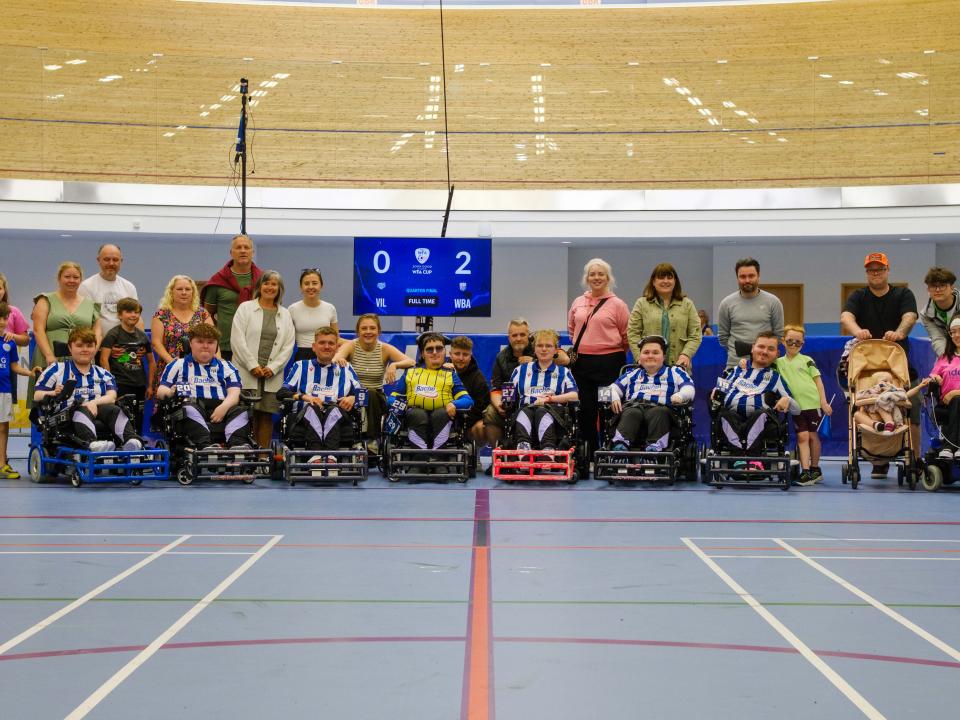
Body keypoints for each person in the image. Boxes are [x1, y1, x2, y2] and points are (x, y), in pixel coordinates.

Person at [841, 251, 919, 477]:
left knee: (910, 410)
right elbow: (847, 316)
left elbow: (910, 317)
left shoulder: (903, 294)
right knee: (868, 409)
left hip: (898, 364)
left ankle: (913, 458)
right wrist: (858, 332)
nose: (875, 273)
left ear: (887, 270)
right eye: (871, 270)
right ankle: (878, 461)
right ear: (867, 273)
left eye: (879, 269)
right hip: (866, 367)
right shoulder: (859, 296)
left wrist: (899, 333)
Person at [33, 328, 142, 453]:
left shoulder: (103, 373)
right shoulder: (56, 370)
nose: (85, 349)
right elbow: (37, 395)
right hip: (67, 415)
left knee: (114, 409)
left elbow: (112, 397)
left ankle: (131, 442)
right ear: (70, 347)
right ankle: (93, 444)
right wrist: (52, 393)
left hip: (99, 410)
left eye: (89, 346)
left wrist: (93, 403)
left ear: (95, 348)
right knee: (80, 409)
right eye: (79, 346)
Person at [567, 258, 630, 458]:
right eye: (592, 274)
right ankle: (589, 453)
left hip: (609, 365)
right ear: (587, 278)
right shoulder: (578, 302)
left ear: (608, 278)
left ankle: (609, 452)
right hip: (582, 364)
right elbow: (571, 330)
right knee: (585, 410)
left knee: (607, 409)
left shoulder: (618, 304)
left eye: (601, 274)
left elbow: (626, 334)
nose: (596, 277)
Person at [155, 324, 251, 450]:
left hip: (222, 406)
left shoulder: (227, 367)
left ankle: (237, 447)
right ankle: (205, 446)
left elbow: (234, 393)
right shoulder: (177, 365)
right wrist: (171, 391)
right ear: (190, 343)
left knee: (242, 411)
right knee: (187, 409)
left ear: (216, 345)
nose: (205, 346)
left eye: (210, 342)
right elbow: (161, 391)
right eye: (200, 342)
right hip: (191, 406)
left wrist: (224, 407)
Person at [277, 327, 361, 468]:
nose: (326, 346)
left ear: (337, 347)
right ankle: (315, 455)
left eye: (331, 343)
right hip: (305, 415)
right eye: (322, 343)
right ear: (314, 347)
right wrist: (305, 397)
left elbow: (363, 395)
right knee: (313, 407)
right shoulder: (300, 366)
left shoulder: (346, 368)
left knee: (333, 409)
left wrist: (353, 397)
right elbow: (281, 393)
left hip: (337, 414)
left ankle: (331, 456)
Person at [229, 271, 296, 448]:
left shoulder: (285, 314)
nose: (270, 287)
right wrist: (252, 366)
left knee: (265, 415)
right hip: (246, 371)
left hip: (271, 375)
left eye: (274, 284)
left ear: (279, 289)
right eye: (266, 283)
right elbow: (237, 340)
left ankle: (264, 456)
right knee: (244, 414)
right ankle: (245, 455)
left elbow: (288, 345)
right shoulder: (245, 308)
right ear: (259, 286)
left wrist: (273, 368)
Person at [331, 314, 414, 452]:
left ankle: (372, 441)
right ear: (358, 332)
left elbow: (411, 361)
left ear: (378, 331)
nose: (368, 331)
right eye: (364, 328)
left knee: (371, 392)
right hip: (352, 396)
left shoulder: (384, 348)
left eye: (372, 328)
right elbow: (335, 359)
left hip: (376, 397)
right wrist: (340, 359)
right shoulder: (351, 346)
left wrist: (395, 365)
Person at [484, 318, 570, 446]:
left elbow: (565, 359)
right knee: (490, 413)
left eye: (522, 334)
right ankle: (501, 449)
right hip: (513, 402)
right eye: (514, 335)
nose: (518, 338)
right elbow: (496, 388)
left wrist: (536, 359)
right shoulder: (501, 357)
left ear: (529, 336)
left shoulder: (540, 346)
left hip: (545, 400)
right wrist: (499, 405)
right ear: (509, 338)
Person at [713, 331, 799, 457]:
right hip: (732, 417)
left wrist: (788, 400)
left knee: (761, 414)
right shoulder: (736, 371)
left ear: (776, 354)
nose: (764, 352)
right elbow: (718, 392)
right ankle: (739, 456)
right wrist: (717, 390)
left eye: (770, 349)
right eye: (761, 347)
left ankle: (752, 456)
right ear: (753, 348)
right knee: (723, 414)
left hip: (761, 420)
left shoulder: (775, 378)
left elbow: (797, 410)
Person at [29, 262, 101, 405]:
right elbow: (38, 330)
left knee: (82, 402)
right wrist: (49, 355)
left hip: (82, 358)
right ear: (59, 278)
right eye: (67, 276)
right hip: (50, 357)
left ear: (81, 280)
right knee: (46, 403)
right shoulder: (45, 300)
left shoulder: (91, 304)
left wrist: (92, 353)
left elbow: (97, 332)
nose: (71, 280)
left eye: (76, 277)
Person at [607, 335, 694, 453]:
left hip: (661, 410)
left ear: (663, 357)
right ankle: (620, 446)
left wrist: (680, 396)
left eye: (655, 352)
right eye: (646, 352)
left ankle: (654, 449)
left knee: (658, 412)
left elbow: (690, 388)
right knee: (631, 412)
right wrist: (613, 396)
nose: (650, 356)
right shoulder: (631, 373)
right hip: (634, 407)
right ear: (640, 356)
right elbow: (606, 390)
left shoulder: (675, 372)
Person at [387, 333, 473, 451]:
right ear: (422, 353)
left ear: (444, 352)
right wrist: (402, 405)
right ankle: (419, 457)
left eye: (439, 348)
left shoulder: (450, 374)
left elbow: (468, 401)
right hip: (414, 416)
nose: (434, 352)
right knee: (417, 414)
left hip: (442, 416)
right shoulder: (410, 372)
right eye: (429, 349)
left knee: (441, 414)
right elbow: (391, 399)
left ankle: (438, 459)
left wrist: (454, 404)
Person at [773, 325, 833, 485]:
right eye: (790, 341)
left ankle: (815, 469)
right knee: (802, 436)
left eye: (798, 342)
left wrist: (824, 402)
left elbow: (818, 382)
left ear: (803, 343)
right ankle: (805, 471)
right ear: (783, 341)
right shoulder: (777, 363)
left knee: (813, 436)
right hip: (796, 407)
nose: (793, 344)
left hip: (813, 405)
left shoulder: (808, 361)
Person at [509, 329, 578, 452]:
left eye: (548, 346)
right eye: (540, 346)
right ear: (534, 349)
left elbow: (574, 395)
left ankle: (548, 448)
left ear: (556, 350)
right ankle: (523, 448)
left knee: (542, 411)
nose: (544, 349)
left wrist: (550, 399)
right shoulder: (520, 371)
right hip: (526, 409)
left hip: (553, 412)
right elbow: (508, 396)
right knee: (525, 411)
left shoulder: (563, 372)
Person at [627, 263, 701, 370]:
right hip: (648, 367)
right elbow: (632, 334)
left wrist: (686, 355)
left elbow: (695, 335)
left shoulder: (687, 304)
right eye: (661, 278)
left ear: (675, 281)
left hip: (679, 366)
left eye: (670, 278)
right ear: (653, 282)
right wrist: (640, 358)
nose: (666, 281)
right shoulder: (641, 303)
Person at [150, 275, 214, 399]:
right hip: (170, 369)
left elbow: (213, 341)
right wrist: (174, 365)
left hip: (200, 370)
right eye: (179, 289)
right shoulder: (161, 314)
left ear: (193, 292)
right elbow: (156, 343)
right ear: (171, 292)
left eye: (188, 289)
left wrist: (218, 363)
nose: (184, 293)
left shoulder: (202, 314)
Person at [201, 234, 263, 360]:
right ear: (231, 252)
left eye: (246, 247)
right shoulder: (218, 280)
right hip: (225, 347)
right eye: (238, 247)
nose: (243, 250)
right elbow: (207, 315)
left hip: (256, 345)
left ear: (252, 252)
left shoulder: (263, 280)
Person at [99, 297, 155, 433]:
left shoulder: (143, 336)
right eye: (129, 312)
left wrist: (150, 386)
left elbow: (152, 361)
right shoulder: (113, 335)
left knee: (139, 417)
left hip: (139, 385)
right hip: (120, 385)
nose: (133, 315)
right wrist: (110, 385)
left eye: (136, 312)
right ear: (119, 314)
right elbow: (103, 359)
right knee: (122, 417)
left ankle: (138, 443)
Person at [717, 258, 784, 369]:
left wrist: (762, 353)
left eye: (751, 276)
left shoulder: (773, 302)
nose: (747, 280)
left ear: (758, 276)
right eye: (743, 277)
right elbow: (723, 338)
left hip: (766, 366)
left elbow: (778, 335)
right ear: (737, 278)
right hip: (735, 365)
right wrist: (738, 352)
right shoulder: (726, 303)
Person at [0, 304, 39, 478]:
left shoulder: (10, 343)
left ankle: (2, 464)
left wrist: (30, 373)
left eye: (4, 318)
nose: (2, 322)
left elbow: (14, 366)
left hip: (4, 391)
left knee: (2, 428)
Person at [77, 243, 139, 334]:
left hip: (126, 344)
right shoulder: (86, 286)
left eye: (115, 260)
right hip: (97, 345)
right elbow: (86, 322)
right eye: (106, 259)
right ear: (98, 260)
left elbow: (137, 318)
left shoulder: (129, 287)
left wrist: (139, 343)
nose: (111, 263)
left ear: (121, 261)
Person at [289, 268, 339, 362]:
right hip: (302, 357)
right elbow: (286, 340)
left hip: (325, 355)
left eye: (315, 283)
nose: (311, 287)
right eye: (306, 283)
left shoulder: (330, 308)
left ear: (321, 286)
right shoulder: (292, 309)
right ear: (301, 286)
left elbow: (336, 338)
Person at [853, 371, 926, 434]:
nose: (888, 383)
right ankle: (875, 425)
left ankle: (889, 424)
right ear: (875, 384)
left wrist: (919, 386)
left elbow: (906, 395)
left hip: (887, 414)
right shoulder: (870, 391)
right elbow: (859, 397)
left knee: (880, 405)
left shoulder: (893, 392)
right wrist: (873, 393)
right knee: (857, 414)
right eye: (885, 381)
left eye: (891, 382)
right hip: (871, 418)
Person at [928, 317, 960, 458]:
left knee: (958, 400)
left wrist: (955, 393)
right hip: (946, 404)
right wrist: (935, 377)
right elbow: (932, 375)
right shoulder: (945, 358)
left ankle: (950, 446)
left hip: (955, 399)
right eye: (953, 332)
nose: (957, 335)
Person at [449, 336, 490, 443]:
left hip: (467, 424)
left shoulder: (479, 379)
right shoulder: (439, 371)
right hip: (442, 419)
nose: (461, 358)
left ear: (470, 356)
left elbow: (482, 408)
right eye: (457, 354)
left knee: (482, 427)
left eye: (465, 354)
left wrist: (459, 418)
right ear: (450, 354)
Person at [0, 272, 31, 406]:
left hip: (5, 371)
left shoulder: (13, 311)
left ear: (4, 290)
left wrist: (13, 336)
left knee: (3, 419)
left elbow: (26, 340)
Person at [919, 267, 960, 358]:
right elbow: (938, 339)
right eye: (933, 286)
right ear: (928, 289)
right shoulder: (926, 314)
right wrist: (949, 359)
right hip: (948, 352)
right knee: (939, 369)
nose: (937, 290)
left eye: (942, 285)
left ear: (952, 288)